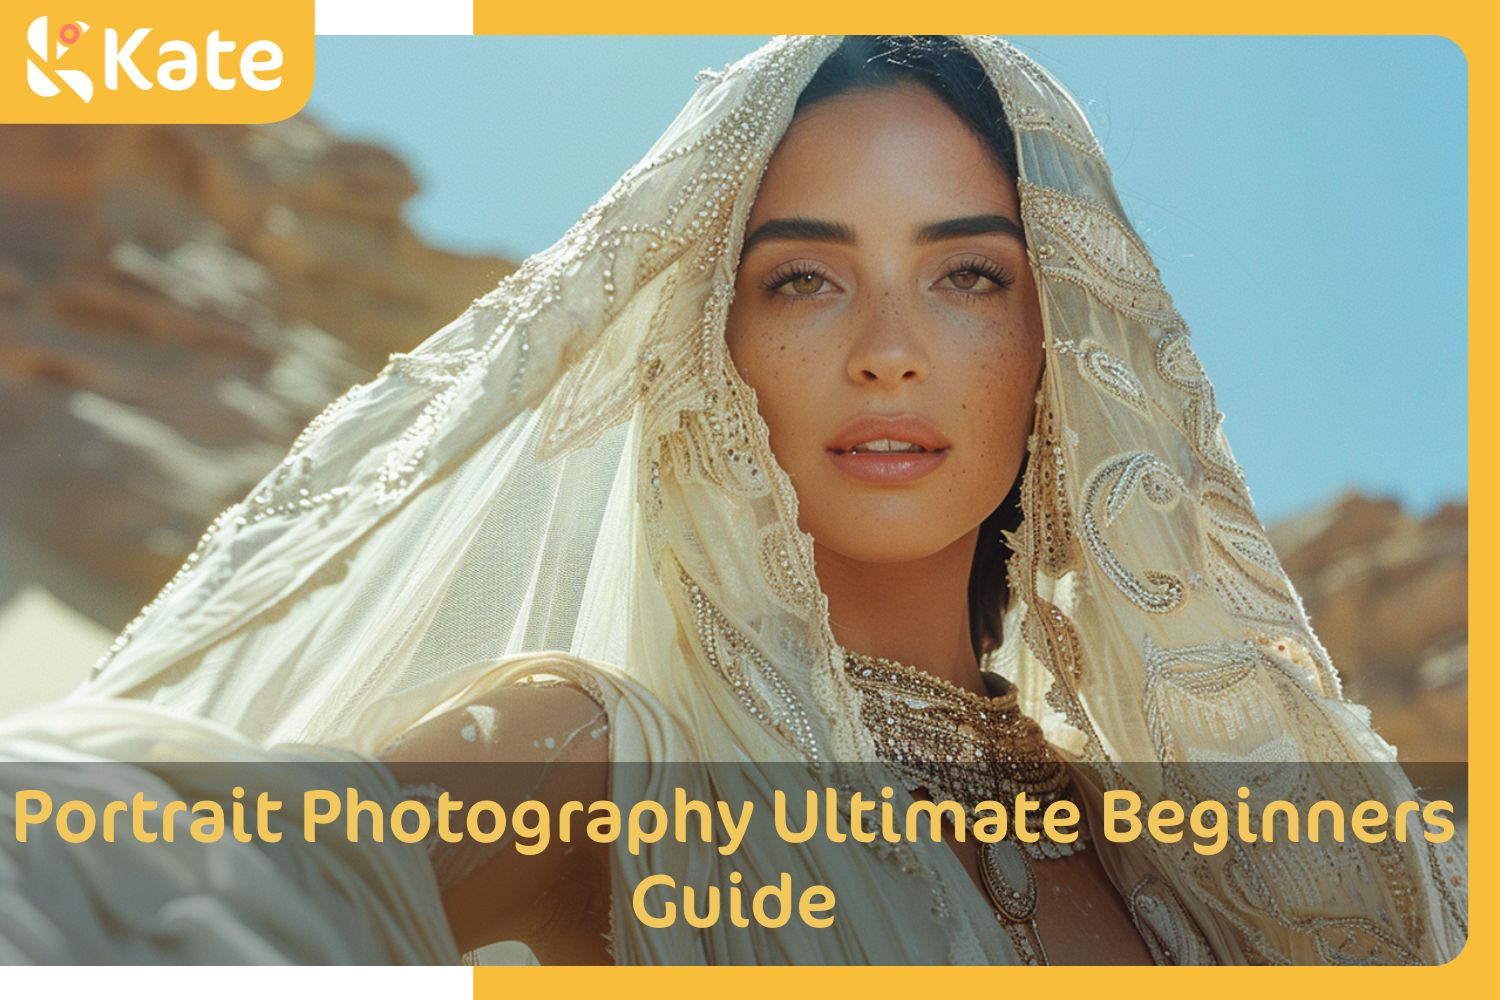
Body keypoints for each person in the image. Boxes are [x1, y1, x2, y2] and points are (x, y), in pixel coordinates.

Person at [2, 35, 1466, 965]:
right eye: (803, 277)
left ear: (1062, 349)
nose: (887, 346)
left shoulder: (1219, 865)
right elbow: (185, 875)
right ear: (713, 345)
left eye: (968, 276)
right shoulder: (602, 759)